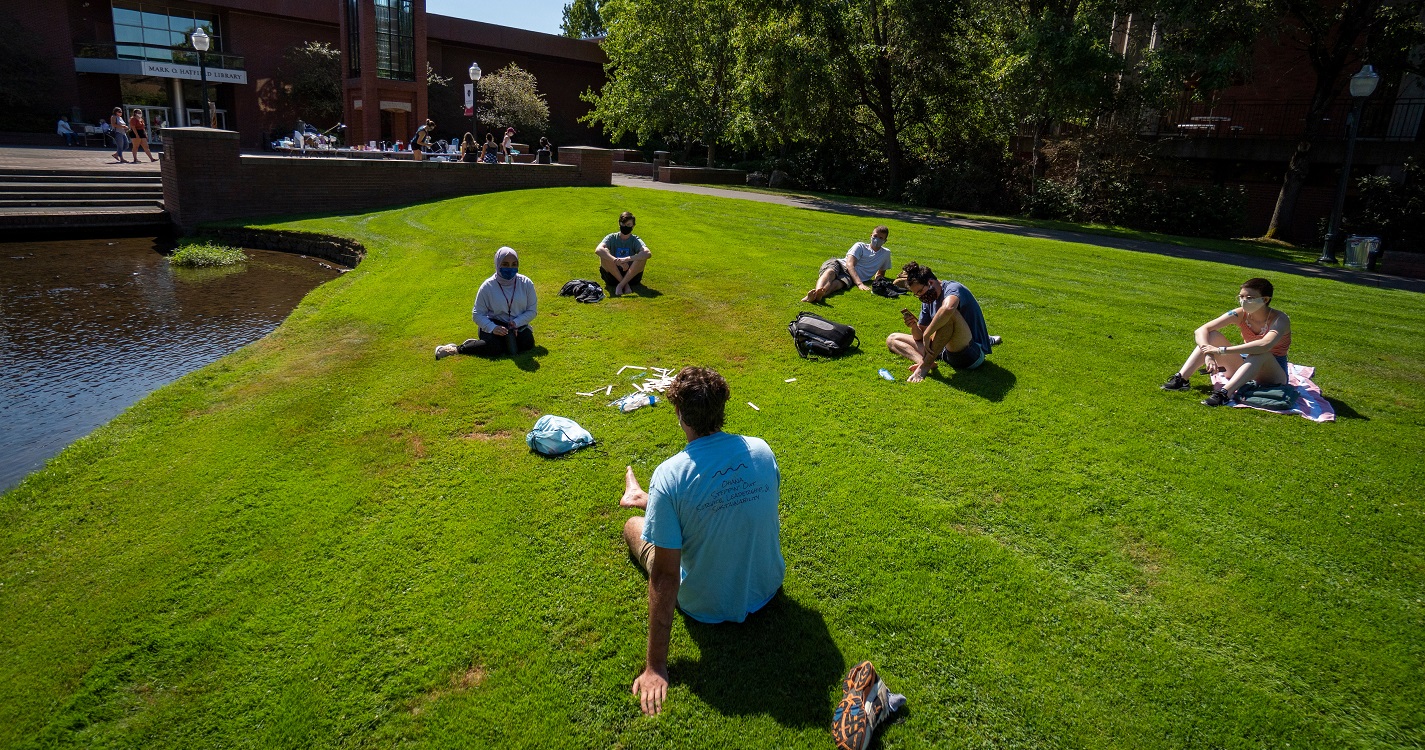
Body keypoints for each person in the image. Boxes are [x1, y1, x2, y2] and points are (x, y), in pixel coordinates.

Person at [616, 366, 785, 716]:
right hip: (767, 586)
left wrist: (655, 667)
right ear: (722, 407)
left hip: (705, 606)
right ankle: (653, 504)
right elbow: (732, 508)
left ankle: (645, 504)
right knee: (693, 515)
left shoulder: (671, 473)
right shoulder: (761, 450)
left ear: (679, 414)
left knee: (634, 526)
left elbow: (664, 576)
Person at [1161, 277, 1292, 406]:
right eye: (1241, 297)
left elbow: (1264, 345)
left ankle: (1224, 393)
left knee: (1261, 353)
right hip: (1246, 364)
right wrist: (1208, 354)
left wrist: (1220, 350)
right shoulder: (1240, 314)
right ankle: (1182, 379)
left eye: (1249, 298)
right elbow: (1201, 330)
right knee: (1212, 335)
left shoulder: (1280, 319)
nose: (1243, 301)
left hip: (1273, 374)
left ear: (1265, 299)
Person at [887, 261, 994, 382]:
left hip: (970, 353)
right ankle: (924, 362)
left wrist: (928, 334)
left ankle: (924, 366)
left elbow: (948, 309)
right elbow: (920, 336)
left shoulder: (953, 288)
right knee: (893, 339)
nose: (920, 297)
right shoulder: (928, 301)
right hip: (943, 351)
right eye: (916, 294)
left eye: (920, 291)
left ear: (930, 282)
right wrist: (913, 327)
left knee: (948, 316)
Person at [435, 246, 537, 359]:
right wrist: (492, 328)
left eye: (514, 264)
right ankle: (455, 349)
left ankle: (480, 344)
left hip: (516, 325)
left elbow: (532, 310)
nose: (510, 268)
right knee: (495, 348)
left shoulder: (526, 283)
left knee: (527, 344)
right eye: (505, 264)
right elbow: (477, 314)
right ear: (498, 264)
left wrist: (517, 322)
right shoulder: (487, 286)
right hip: (494, 323)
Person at [803, 225, 893, 303]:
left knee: (838, 284)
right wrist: (859, 284)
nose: (877, 239)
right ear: (871, 236)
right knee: (830, 272)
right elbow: (850, 265)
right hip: (840, 265)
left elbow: (881, 272)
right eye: (875, 236)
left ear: (885, 240)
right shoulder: (860, 246)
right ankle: (817, 291)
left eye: (881, 238)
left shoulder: (885, 253)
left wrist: (878, 282)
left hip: (850, 276)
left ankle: (819, 296)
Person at [595, 211, 652, 297]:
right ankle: (626, 285)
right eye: (623, 224)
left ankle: (621, 285)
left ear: (633, 226)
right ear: (619, 224)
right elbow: (598, 250)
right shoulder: (611, 237)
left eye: (628, 225)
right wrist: (616, 260)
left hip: (631, 276)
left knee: (641, 257)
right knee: (604, 252)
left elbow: (647, 253)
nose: (625, 227)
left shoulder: (635, 239)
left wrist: (627, 259)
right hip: (612, 276)